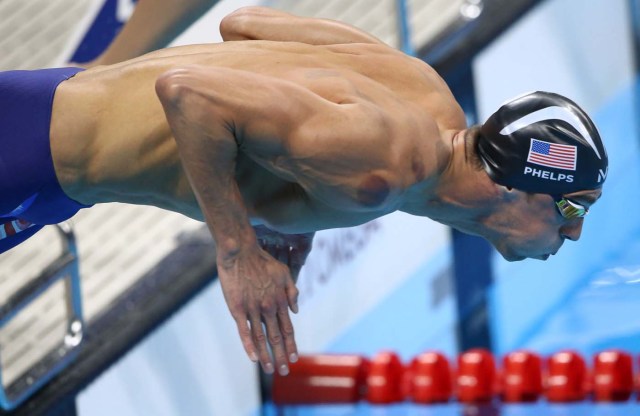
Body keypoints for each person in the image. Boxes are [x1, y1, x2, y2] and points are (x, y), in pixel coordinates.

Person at [0, 6, 607, 377]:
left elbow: (246, 26)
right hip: (27, 157)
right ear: (515, 187)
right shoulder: (387, 170)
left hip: (51, 137)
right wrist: (237, 250)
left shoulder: (427, 94)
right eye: (572, 207)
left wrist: (298, 182)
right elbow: (191, 95)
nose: (575, 231)